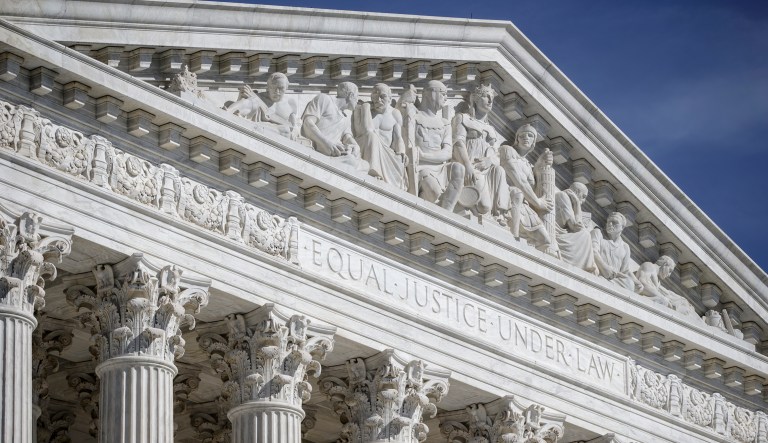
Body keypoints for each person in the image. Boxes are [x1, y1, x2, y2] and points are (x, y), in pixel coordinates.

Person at [452, 83, 510, 222]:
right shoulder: (463, 118)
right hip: (471, 166)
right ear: (476, 99)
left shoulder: (491, 129)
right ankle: (464, 206)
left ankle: (500, 214)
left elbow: (496, 155)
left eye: (492, 98)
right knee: (484, 206)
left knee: (500, 170)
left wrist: (490, 161)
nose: (490, 101)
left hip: (486, 169)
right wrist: (467, 166)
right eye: (486, 96)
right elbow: (458, 144)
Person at [411, 80, 464, 211]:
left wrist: (423, 155)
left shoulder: (445, 123)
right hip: (422, 168)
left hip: (439, 166)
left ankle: (447, 213)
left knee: (458, 168)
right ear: (431, 93)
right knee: (433, 193)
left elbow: (447, 153)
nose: (446, 98)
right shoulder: (414, 118)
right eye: (443, 93)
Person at [499, 124, 553, 249]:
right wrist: (538, 202)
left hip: (524, 205)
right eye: (522, 135)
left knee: (545, 240)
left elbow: (531, 186)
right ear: (517, 138)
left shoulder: (528, 165)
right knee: (518, 192)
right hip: (508, 197)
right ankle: (514, 238)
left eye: (530, 135)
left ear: (534, 141)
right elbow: (519, 180)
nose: (526, 137)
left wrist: (540, 165)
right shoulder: (507, 150)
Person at [352, 83, 407, 190]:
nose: (378, 100)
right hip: (366, 147)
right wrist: (366, 108)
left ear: (390, 98)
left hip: (387, 152)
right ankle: (373, 171)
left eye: (383, 96)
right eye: (375, 97)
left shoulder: (395, 113)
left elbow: (398, 137)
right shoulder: (362, 109)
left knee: (400, 159)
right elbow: (366, 130)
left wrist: (402, 152)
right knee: (372, 136)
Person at [301, 82, 362, 167]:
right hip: (320, 150)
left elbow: (347, 137)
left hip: (336, 153)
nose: (357, 100)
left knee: (365, 165)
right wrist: (327, 143)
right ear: (351, 95)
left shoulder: (345, 118)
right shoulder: (324, 99)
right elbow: (308, 122)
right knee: (352, 162)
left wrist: (356, 146)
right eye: (357, 96)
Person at [224, 72, 300, 140]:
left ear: (286, 87)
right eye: (273, 87)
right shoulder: (259, 97)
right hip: (255, 121)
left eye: (281, 88)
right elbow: (245, 104)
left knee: (285, 130)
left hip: (272, 131)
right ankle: (227, 112)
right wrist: (241, 97)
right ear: (268, 87)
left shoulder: (291, 103)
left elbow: (294, 128)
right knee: (253, 101)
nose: (277, 92)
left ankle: (249, 124)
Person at [635, 255, 699, 320]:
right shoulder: (649, 266)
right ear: (665, 264)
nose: (669, 274)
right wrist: (662, 297)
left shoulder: (657, 280)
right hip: (641, 296)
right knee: (664, 301)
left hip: (655, 298)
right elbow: (643, 283)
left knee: (681, 303)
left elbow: (667, 293)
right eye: (670, 270)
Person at [554, 182, 597, 273]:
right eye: (584, 196)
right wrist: (577, 204)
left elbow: (577, 225)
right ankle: (585, 266)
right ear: (577, 192)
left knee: (585, 234)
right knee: (585, 235)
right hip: (557, 234)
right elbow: (574, 226)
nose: (584, 201)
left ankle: (586, 265)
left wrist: (576, 204)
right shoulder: (563, 196)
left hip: (563, 233)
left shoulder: (569, 201)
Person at [592, 212, 641, 291]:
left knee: (629, 284)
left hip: (614, 278)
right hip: (600, 270)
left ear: (622, 227)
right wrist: (605, 268)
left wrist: (636, 282)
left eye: (615, 222)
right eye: (609, 221)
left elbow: (625, 271)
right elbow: (593, 251)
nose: (610, 224)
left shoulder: (625, 247)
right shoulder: (598, 233)